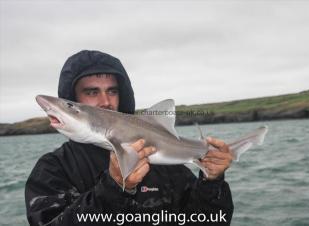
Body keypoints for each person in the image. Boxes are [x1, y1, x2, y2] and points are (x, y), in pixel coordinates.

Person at [25, 50, 234, 225]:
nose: (105, 101)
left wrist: (211, 182)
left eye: (112, 91)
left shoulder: (164, 164)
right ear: (72, 98)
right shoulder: (53, 170)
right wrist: (112, 189)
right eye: (91, 92)